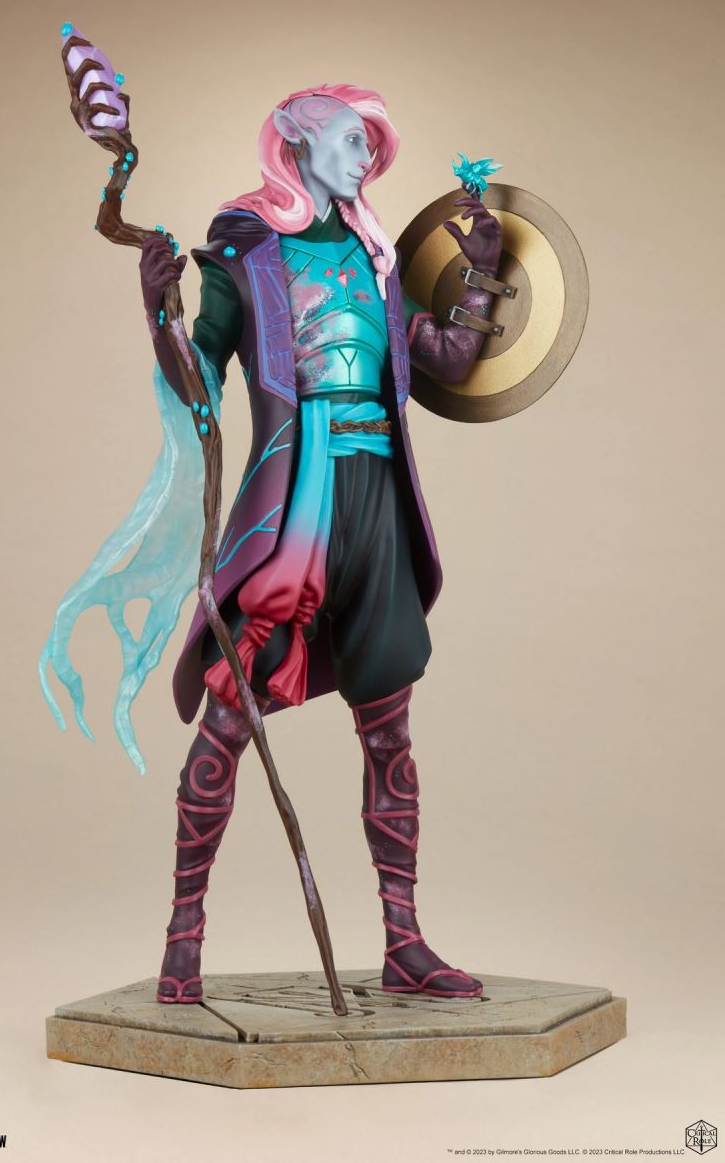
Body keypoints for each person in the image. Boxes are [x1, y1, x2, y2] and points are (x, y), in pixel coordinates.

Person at [138, 85, 503, 1004]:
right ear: (295, 144)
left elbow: (446, 361)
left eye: (372, 144)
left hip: (378, 502)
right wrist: (160, 315)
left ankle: (404, 942)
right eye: (350, 139)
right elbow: (198, 383)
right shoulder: (245, 253)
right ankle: (183, 940)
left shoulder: (379, 259)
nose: (365, 157)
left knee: (390, 726)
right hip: (293, 506)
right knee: (229, 715)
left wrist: (482, 276)